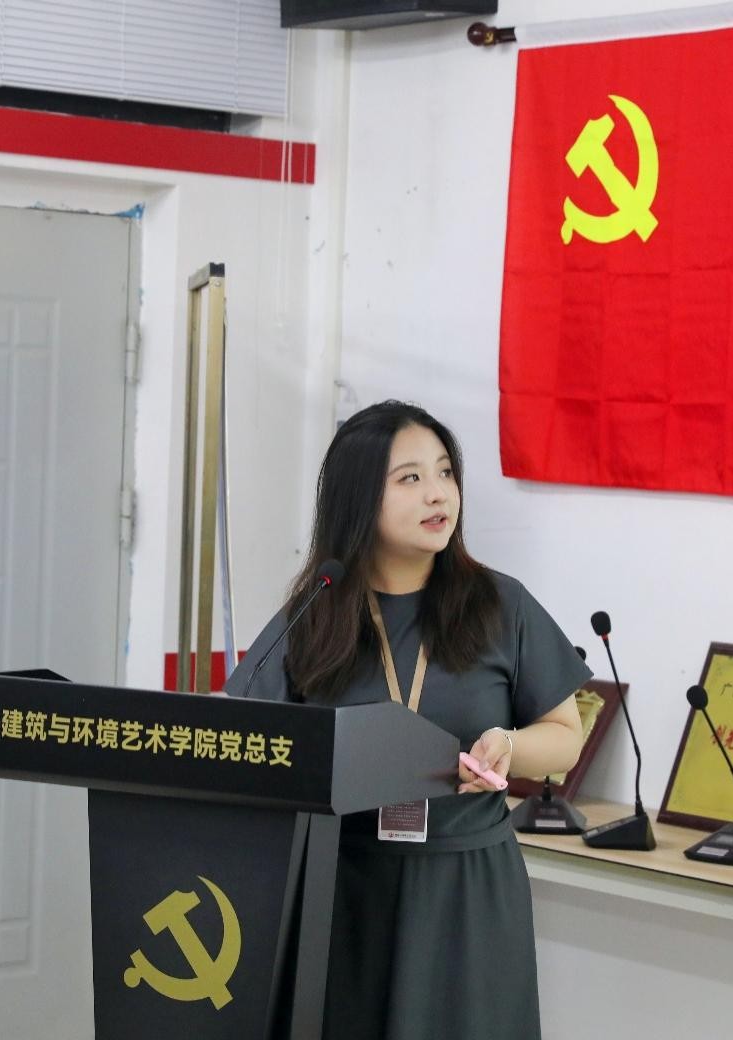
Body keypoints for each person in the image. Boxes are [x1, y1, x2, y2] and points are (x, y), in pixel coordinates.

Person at [225, 400, 592, 1040]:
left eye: (445, 473)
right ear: (358, 497)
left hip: (466, 886)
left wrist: (509, 745)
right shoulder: (316, 611)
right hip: (344, 883)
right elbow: (248, 739)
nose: (438, 494)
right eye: (410, 478)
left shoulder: (501, 604)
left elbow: (566, 738)